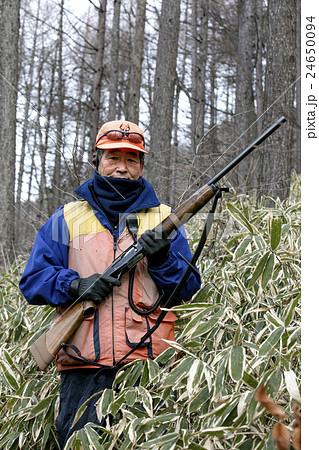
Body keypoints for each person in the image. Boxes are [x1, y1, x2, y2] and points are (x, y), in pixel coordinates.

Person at [19, 119, 201, 448]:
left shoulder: (164, 217)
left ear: (142, 167)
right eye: (112, 158)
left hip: (148, 369)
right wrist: (75, 286)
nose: (122, 168)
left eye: (131, 160)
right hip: (83, 369)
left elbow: (187, 289)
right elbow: (32, 281)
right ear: (97, 161)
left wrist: (161, 259)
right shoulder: (66, 218)